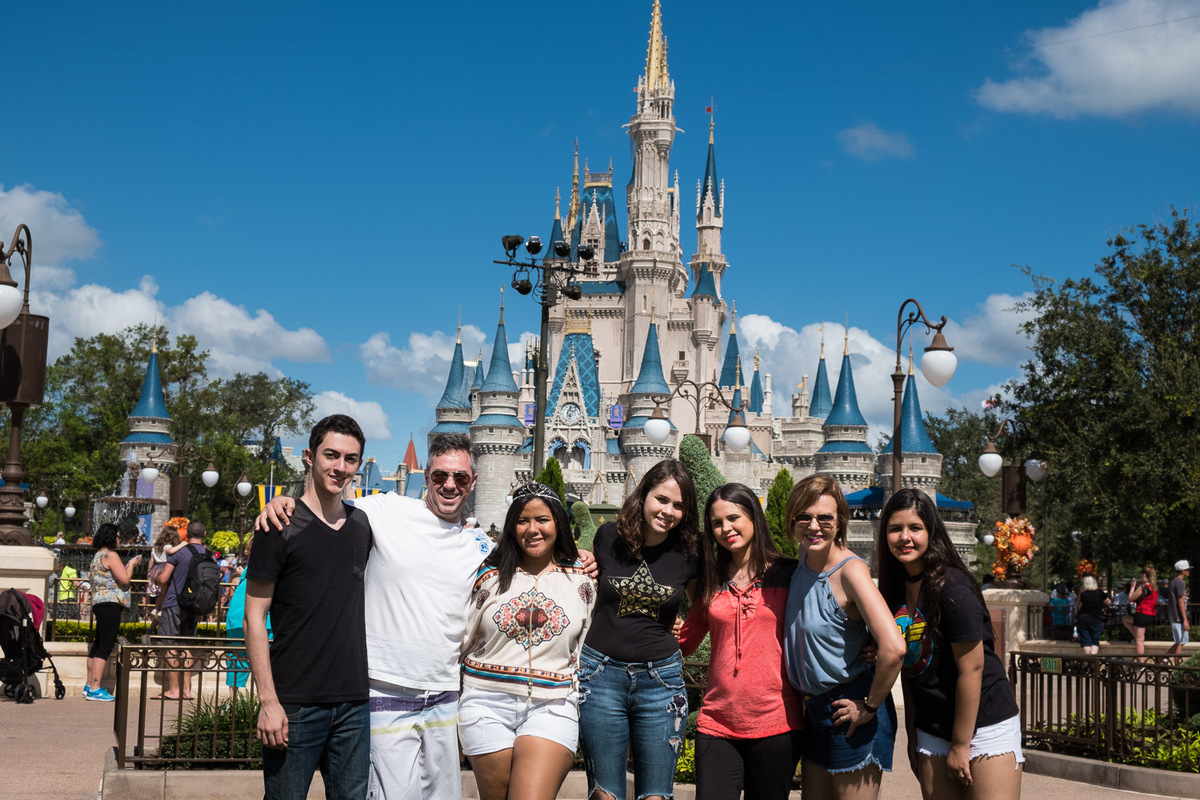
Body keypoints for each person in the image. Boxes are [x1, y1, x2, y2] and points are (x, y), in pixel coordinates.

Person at [257, 432, 497, 800]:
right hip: (385, 691)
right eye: (439, 476)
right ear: (426, 474)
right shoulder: (386, 510)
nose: (450, 485)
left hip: (445, 695)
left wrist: (582, 560)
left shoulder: (482, 545)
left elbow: (535, 559)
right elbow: (325, 503)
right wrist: (282, 501)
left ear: (473, 482)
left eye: (460, 478)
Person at [245, 414, 373, 800]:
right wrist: (268, 701)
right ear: (309, 456)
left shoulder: (363, 525)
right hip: (295, 705)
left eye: (350, 459)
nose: (340, 467)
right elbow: (254, 617)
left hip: (353, 703)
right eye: (331, 455)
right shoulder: (279, 525)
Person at [877, 488, 1022, 800]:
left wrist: (960, 744)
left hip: (984, 726)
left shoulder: (952, 588)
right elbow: (912, 667)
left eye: (915, 528)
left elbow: (972, 669)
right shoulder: (893, 591)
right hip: (931, 728)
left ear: (931, 531)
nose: (905, 537)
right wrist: (913, 732)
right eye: (895, 529)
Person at [458, 482, 595, 800]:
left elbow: (589, 641)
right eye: (523, 520)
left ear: (558, 523)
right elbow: (462, 636)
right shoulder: (488, 577)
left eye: (542, 520)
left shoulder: (582, 579)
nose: (533, 529)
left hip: (553, 704)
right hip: (486, 703)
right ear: (511, 526)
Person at [577, 459, 703, 800]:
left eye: (679, 505)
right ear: (644, 494)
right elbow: (580, 578)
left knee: (657, 796)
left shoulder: (689, 551)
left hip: (660, 682)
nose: (668, 511)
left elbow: (705, 608)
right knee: (605, 794)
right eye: (662, 499)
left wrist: (685, 639)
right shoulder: (608, 537)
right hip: (600, 675)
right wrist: (579, 558)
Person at [678, 482, 803, 800]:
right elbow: (686, 642)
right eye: (717, 523)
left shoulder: (789, 574)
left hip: (777, 725)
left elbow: (819, 625)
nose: (725, 528)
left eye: (733, 517)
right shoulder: (710, 578)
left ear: (754, 517)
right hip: (716, 724)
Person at [783, 475, 904, 800]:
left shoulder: (850, 571)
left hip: (851, 710)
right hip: (814, 711)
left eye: (825, 518)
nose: (814, 526)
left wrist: (869, 707)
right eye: (804, 517)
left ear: (840, 523)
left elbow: (893, 647)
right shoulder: (803, 562)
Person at [83, 523, 143, 701]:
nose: (119, 540)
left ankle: (89, 685)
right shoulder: (111, 555)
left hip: (99, 603)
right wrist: (131, 564)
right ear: (111, 537)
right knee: (106, 644)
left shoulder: (97, 556)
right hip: (110, 604)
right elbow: (124, 579)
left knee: (98, 643)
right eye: (117, 536)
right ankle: (95, 687)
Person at [154, 520, 212, 700]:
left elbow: (164, 579)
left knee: (169, 644)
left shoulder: (180, 553)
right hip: (195, 606)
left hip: (175, 603)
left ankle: (173, 690)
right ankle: (187, 690)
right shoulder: (209, 554)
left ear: (186, 535)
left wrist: (155, 579)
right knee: (186, 645)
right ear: (204, 534)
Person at [225, 530, 270, 692]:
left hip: (235, 620)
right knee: (265, 664)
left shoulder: (247, 571)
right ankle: (261, 704)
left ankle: (233, 706)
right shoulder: (268, 568)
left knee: (237, 662)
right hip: (262, 622)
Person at [1074, 575, 1110, 656]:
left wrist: (1076, 616)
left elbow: (1077, 606)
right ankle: (1093, 660)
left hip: (1084, 619)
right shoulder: (1099, 592)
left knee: (1086, 641)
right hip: (1097, 619)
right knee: (1095, 641)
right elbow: (1108, 602)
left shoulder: (1083, 594)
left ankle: (1090, 661)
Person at [1128, 567, 1158, 657]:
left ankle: (1141, 664)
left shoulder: (1143, 587)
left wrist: (1133, 586)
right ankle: (1135, 636)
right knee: (1125, 619)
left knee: (1140, 641)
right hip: (1151, 614)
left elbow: (1131, 598)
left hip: (1142, 614)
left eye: (1141, 575)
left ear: (1144, 575)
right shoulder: (1154, 587)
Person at [1167, 560, 1191, 657]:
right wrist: (1185, 619)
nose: (1189, 571)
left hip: (1176, 615)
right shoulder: (1180, 582)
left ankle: (1162, 659)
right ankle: (1177, 668)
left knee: (1181, 641)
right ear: (1182, 570)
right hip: (1178, 616)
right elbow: (1180, 601)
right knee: (1180, 641)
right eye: (1187, 569)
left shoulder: (1174, 582)